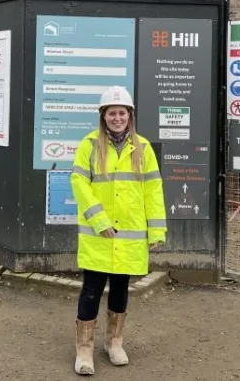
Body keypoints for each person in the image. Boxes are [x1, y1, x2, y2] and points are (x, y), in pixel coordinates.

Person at [69, 85, 166, 376]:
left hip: (129, 234)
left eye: (122, 112)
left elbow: (153, 190)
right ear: (103, 116)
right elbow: (78, 183)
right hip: (99, 235)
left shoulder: (143, 148)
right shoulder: (89, 145)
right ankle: (84, 350)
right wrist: (98, 219)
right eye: (112, 113)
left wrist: (157, 230)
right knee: (91, 289)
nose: (117, 117)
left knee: (121, 288)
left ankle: (114, 343)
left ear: (130, 115)